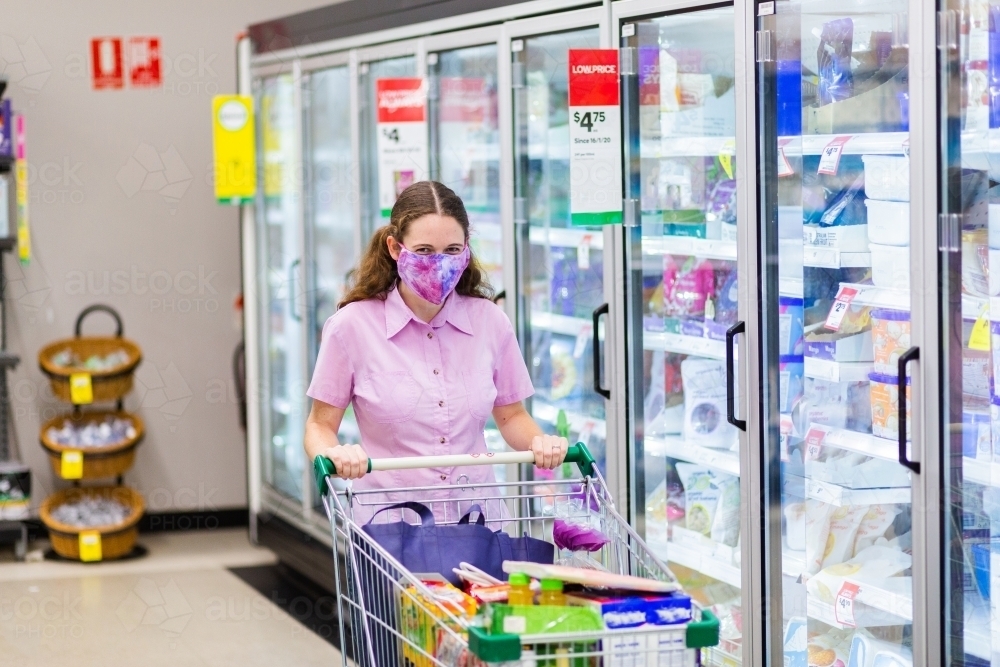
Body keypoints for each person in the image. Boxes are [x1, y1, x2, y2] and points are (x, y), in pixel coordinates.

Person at [303, 180, 568, 525]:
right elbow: (319, 425)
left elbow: (511, 416)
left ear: (467, 250)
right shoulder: (351, 327)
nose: (439, 264)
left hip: (478, 524)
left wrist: (541, 443)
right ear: (395, 248)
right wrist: (334, 454)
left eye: (453, 250)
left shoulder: (490, 322)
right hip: (390, 532)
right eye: (425, 251)